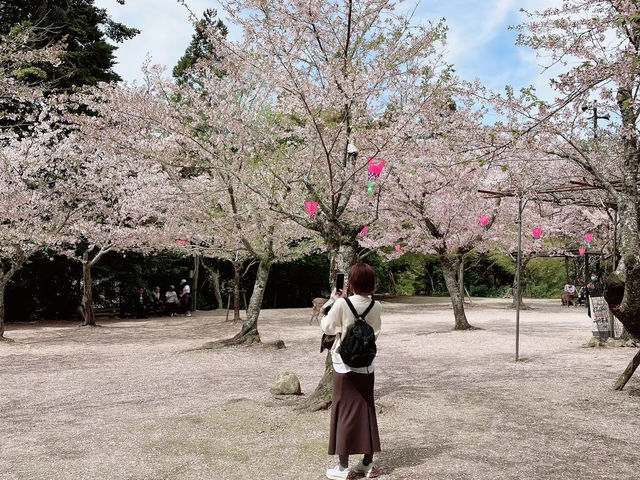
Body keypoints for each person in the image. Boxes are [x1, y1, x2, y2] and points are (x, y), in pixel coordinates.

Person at [320, 263, 382, 480]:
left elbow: (327, 327)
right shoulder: (376, 305)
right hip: (367, 365)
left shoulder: (342, 304)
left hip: (344, 365)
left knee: (344, 410)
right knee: (367, 409)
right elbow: (375, 333)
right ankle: (368, 463)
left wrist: (333, 300)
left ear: (352, 283)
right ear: (372, 284)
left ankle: (343, 467)